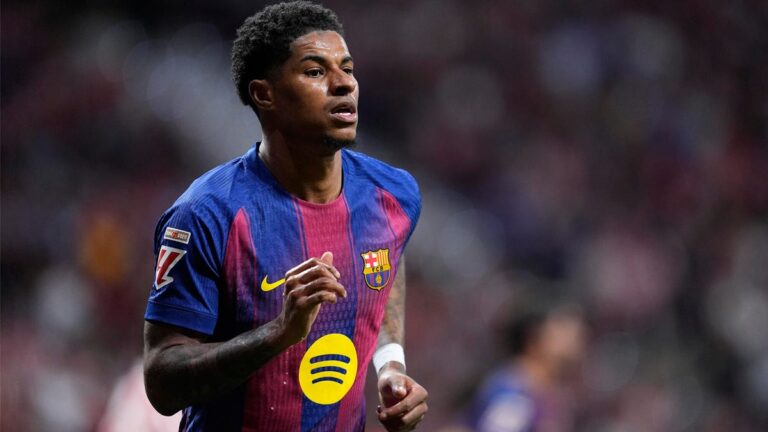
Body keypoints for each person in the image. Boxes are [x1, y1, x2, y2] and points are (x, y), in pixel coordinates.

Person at [141, 2, 428, 431]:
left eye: (347, 69)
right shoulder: (205, 215)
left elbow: (386, 259)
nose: (343, 84)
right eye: (315, 71)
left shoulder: (393, 196)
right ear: (264, 94)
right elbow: (162, 383)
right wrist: (280, 332)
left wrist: (390, 364)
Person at [468, 300, 587, 432]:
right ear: (533, 335)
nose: (576, 334)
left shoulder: (545, 391)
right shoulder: (512, 396)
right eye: (563, 326)